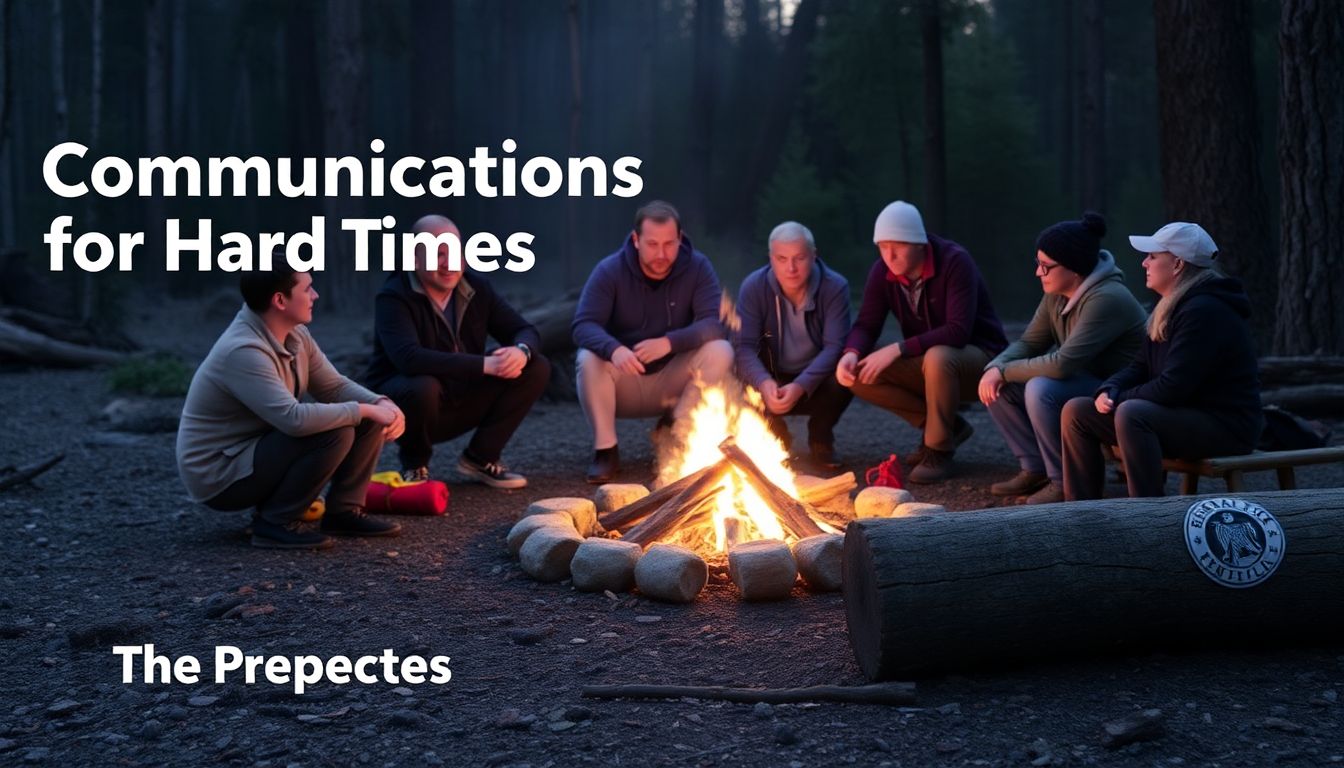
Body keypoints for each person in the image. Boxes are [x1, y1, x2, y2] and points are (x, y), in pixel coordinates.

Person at [177, 260, 404, 550]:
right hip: (221, 475)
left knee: (364, 413)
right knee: (337, 429)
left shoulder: (294, 333)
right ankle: (275, 523)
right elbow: (293, 419)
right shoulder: (243, 351)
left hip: (255, 451)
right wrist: (363, 409)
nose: (315, 295)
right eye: (307, 289)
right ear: (280, 300)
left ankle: (344, 513)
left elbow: (333, 386)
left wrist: (380, 403)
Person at [1060, 222, 1262, 499]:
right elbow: (1140, 366)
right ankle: (1082, 514)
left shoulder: (1205, 311)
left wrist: (1119, 400)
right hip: (1183, 415)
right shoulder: (1172, 305)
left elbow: (1173, 387)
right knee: (1077, 411)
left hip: (1225, 426)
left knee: (1133, 413)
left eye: (1153, 256)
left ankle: (1149, 517)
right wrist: (1109, 389)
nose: (1144, 263)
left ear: (1177, 264)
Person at [364, 215, 550, 490]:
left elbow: (524, 330)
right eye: (439, 253)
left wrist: (521, 351)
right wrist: (484, 365)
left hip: (461, 397)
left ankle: (480, 457)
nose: (449, 262)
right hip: (409, 410)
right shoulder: (394, 296)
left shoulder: (476, 288)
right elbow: (409, 358)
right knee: (422, 385)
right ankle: (415, 465)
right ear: (415, 258)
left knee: (536, 366)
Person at [978, 212, 1147, 504]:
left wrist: (1004, 371)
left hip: (1120, 390)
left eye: (1046, 266)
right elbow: (1031, 342)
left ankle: (1062, 482)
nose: (1038, 273)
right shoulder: (1057, 293)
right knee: (999, 386)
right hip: (1088, 381)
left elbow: (1062, 364)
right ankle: (1035, 468)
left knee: (1041, 388)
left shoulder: (1107, 298)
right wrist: (996, 367)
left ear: (1075, 268)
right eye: (1038, 264)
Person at [837, 200, 1008, 483]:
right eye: (883, 246)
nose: (889, 255)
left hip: (982, 361)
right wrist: (852, 351)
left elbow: (958, 331)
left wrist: (898, 349)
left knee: (938, 356)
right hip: (931, 363)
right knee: (857, 375)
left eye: (898, 246)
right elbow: (867, 324)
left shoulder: (954, 262)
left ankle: (938, 450)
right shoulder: (882, 272)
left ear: (919, 243)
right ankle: (947, 427)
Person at [572, 200, 734, 483]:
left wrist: (669, 342)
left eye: (669, 244)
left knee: (720, 350)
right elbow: (583, 325)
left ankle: (681, 432)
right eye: (652, 244)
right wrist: (614, 349)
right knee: (587, 358)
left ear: (679, 239)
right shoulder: (610, 270)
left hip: (673, 379)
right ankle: (606, 449)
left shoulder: (697, 267)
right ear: (636, 240)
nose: (662, 253)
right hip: (624, 378)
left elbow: (713, 324)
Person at [734, 221, 853, 470]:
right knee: (731, 365)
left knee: (848, 369)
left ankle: (821, 435)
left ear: (813, 255)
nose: (791, 268)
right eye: (781, 258)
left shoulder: (834, 287)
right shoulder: (754, 287)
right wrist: (764, 383)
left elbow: (834, 346)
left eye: (799, 258)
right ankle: (775, 435)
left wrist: (800, 386)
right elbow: (744, 346)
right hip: (772, 373)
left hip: (817, 377)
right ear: (771, 258)